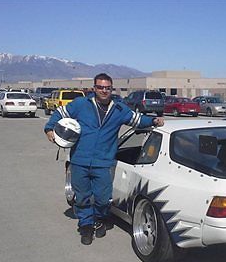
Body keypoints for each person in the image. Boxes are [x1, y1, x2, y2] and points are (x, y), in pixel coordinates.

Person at [44, 73, 164, 245]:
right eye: (100, 87)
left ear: (111, 89)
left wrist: (154, 121)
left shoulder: (119, 109)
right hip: (80, 160)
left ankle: (100, 219)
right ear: (94, 88)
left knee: (102, 197)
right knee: (83, 196)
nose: (104, 90)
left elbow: (137, 120)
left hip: (103, 162)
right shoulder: (80, 104)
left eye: (107, 88)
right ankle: (85, 226)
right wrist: (49, 129)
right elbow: (59, 113)